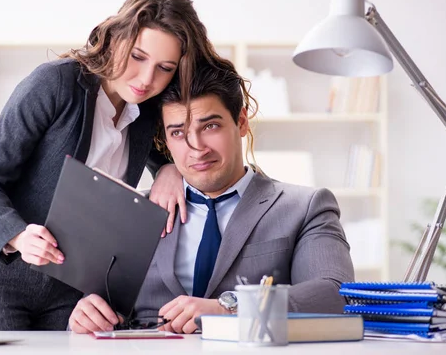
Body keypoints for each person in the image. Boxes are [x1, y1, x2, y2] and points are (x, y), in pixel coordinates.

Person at [0, 0, 223, 331]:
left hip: (70, 284)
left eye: (165, 68)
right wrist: (18, 235)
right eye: (138, 56)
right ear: (116, 37)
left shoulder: (145, 111)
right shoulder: (54, 84)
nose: (146, 79)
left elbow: (163, 149)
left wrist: (168, 169)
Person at [68, 60, 354, 334]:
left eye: (210, 126)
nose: (197, 147)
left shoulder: (305, 208)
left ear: (241, 123)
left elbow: (335, 294)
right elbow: (96, 310)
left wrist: (231, 308)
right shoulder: (132, 211)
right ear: (165, 140)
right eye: (178, 132)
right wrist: (85, 316)